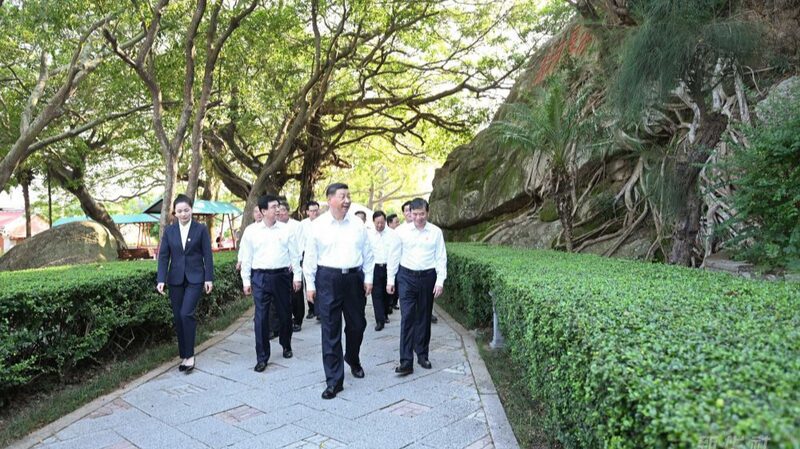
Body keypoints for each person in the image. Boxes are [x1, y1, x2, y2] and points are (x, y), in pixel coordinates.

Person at [304, 182, 374, 399]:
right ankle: (334, 380)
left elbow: (368, 253)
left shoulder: (358, 225)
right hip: (328, 279)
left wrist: (368, 278)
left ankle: (352, 357)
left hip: (354, 279)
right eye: (342, 196)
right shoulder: (318, 226)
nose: (347, 200)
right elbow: (310, 258)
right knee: (330, 330)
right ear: (330, 199)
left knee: (357, 325)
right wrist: (310, 285)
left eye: (348, 196)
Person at [240, 195, 302, 372]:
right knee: (261, 317)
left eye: (278, 206)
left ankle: (286, 344)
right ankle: (262, 356)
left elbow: (294, 255)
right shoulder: (251, 231)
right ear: (263, 211)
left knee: (284, 313)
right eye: (273, 207)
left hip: (282, 276)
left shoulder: (286, 230)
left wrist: (297, 276)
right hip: (260, 277)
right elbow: (246, 257)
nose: (277, 209)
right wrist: (246, 280)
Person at [387, 198, 446, 375]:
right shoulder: (401, 232)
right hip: (406, 277)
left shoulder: (435, 232)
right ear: (410, 213)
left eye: (422, 214)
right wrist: (391, 280)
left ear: (427, 213)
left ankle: (422, 354)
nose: (419, 217)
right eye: (415, 214)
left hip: (428, 277)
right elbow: (393, 256)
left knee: (424, 317)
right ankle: (406, 361)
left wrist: (440, 281)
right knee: (407, 318)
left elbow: (441, 257)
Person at [156, 194, 214, 373]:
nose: (183, 214)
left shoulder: (201, 229)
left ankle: (190, 356)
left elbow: (207, 255)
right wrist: (161, 279)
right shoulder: (170, 231)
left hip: (195, 278)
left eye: (186, 210)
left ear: (191, 210)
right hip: (175, 280)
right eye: (179, 211)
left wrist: (208, 278)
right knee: (178, 317)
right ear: (175, 212)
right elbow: (164, 256)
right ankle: (184, 354)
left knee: (186, 314)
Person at [278, 199, 305, 332]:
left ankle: (298, 319)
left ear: (288, 211)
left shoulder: (296, 226)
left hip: (294, 264)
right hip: (281, 266)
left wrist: (293, 263)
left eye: (283, 210)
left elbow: (300, 246)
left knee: (296, 294)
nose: (281, 213)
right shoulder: (275, 227)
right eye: (278, 211)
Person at [368, 210, 397, 331]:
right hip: (375, 267)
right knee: (377, 294)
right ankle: (379, 320)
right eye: (377, 223)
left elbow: (394, 254)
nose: (379, 225)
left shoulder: (392, 234)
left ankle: (385, 314)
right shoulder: (368, 234)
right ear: (373, 222)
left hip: (388, 266)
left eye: (382, 223)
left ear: (385, 221)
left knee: (387, 294)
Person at [300, 201, 321, 319]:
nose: (314, 213)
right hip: (306, 255)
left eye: (316, 210)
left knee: (319, 282)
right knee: (308, 281)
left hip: (320, 256)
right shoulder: (303, 225)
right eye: (312, 211)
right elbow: (300, 241)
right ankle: (311, 308)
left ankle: (319, 311)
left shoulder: (323, 223)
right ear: (307, 212)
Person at [236, 205, 263, 271]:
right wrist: (240, 260)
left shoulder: (270, 228)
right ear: (253, 214)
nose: (258, 214)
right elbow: (243, 246)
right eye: (256, 212)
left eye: (260, 211)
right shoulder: (249, 229)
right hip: (252, 265)